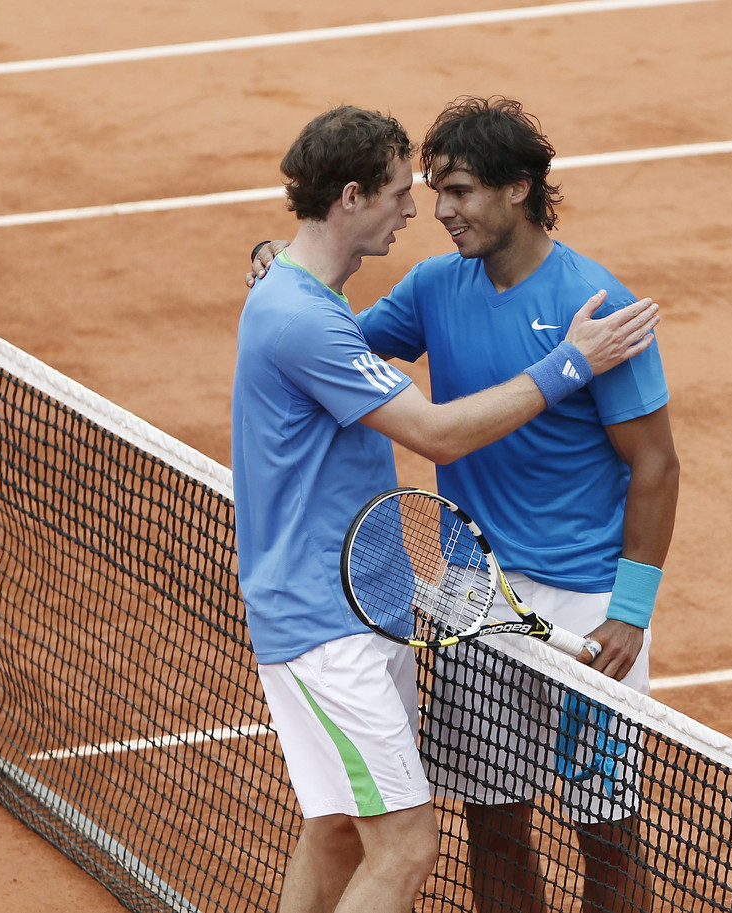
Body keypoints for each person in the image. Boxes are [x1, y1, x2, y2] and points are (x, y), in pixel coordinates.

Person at [247, 96, 679, 913]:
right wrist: (285, 266)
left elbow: (655, 465)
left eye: (461, 190)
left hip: (588, 610)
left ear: (520, 190)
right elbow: (332, 342)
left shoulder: (597, 306)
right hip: (477, 597)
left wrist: (631, 609)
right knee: (493, 814)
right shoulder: (434, 287)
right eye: (433, 189)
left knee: (606, 826)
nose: (439, 211)